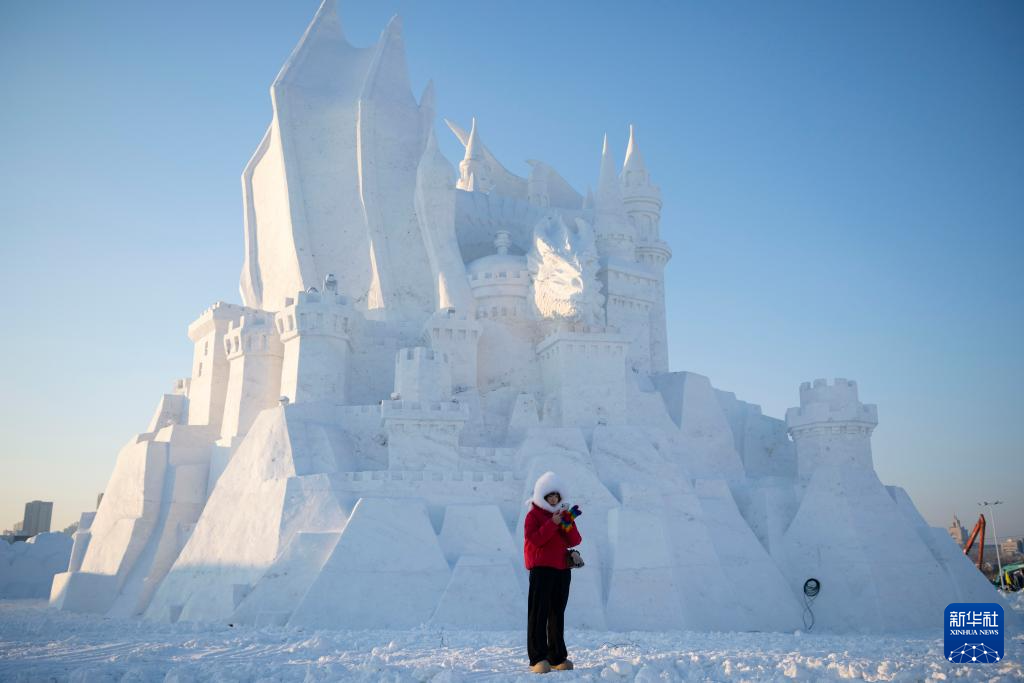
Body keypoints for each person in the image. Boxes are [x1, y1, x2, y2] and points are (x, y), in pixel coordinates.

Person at [523, 471, 582, 674]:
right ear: (542, 497)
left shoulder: (563, 516)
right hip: (541, 570)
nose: (554, 500)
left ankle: (557, 656)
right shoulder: (533, 515)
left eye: (556, 496)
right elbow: (535, 539)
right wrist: (552, 524)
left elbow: (575, 540)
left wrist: (567, 523)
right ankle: (537, 658)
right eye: (550, 496)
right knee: (538, 614)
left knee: (557, 614)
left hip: (561, 570)